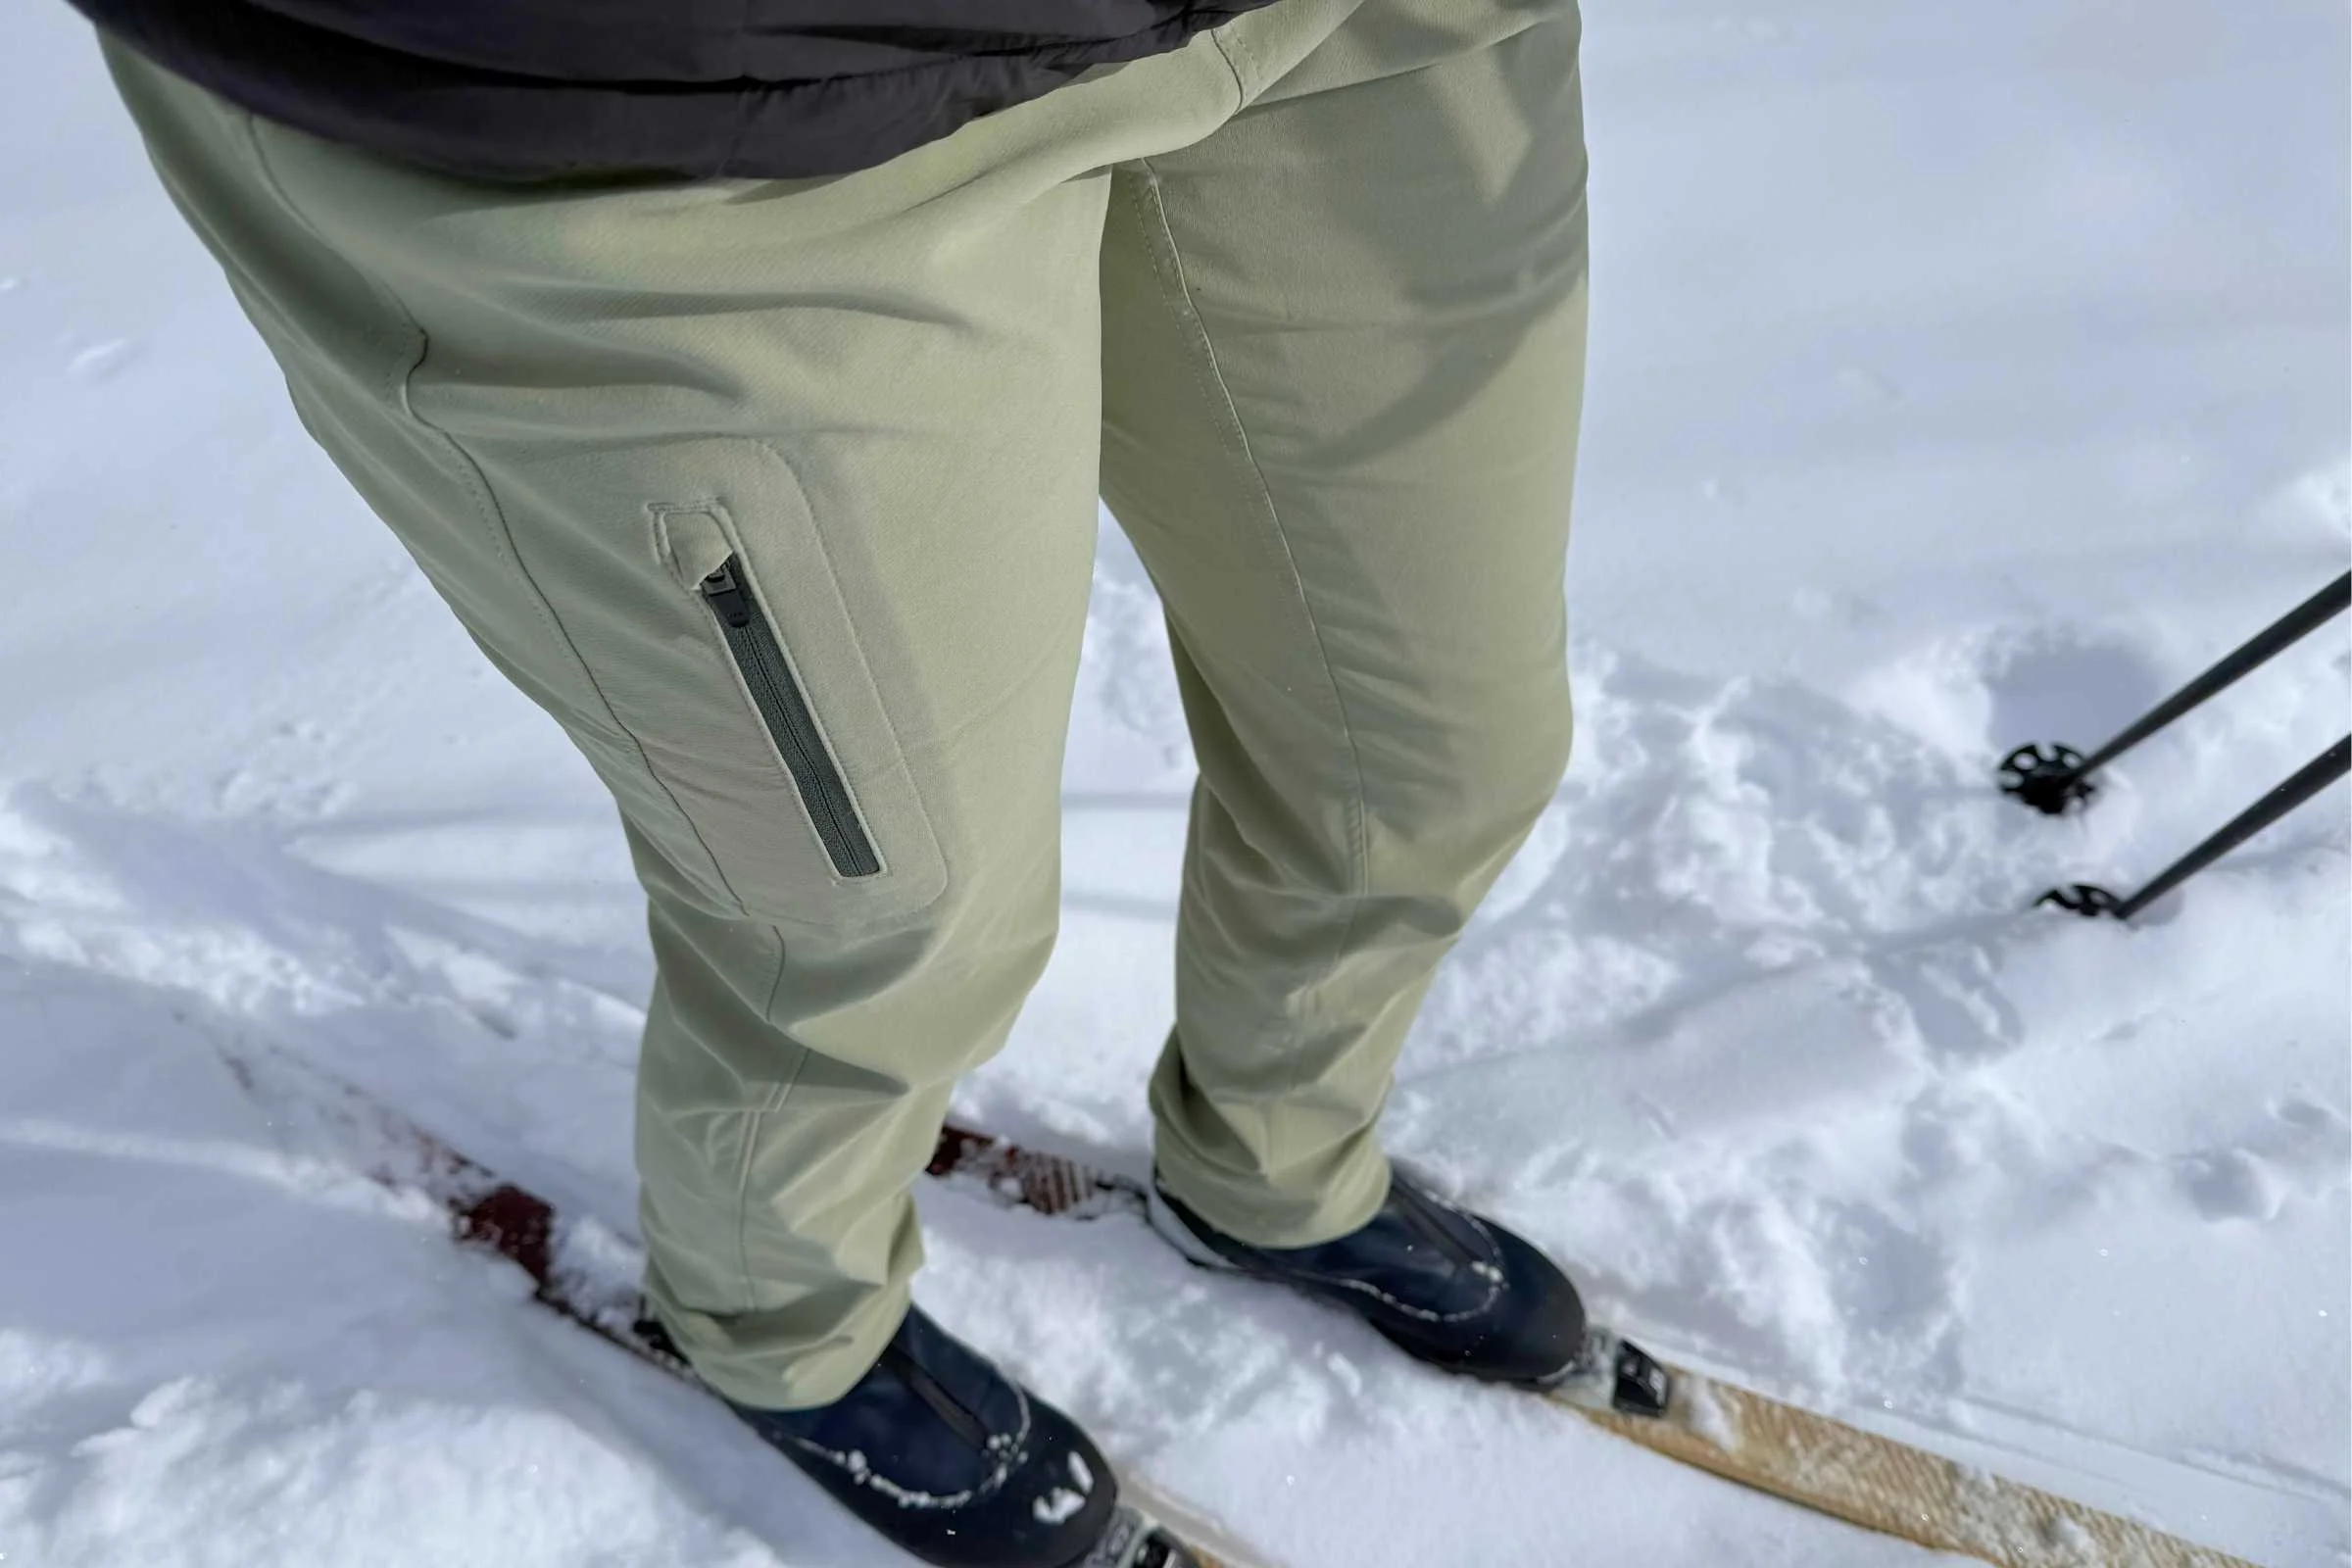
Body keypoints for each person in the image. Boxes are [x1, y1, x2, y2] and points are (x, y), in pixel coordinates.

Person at [70, 0, 1592, 1561]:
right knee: (887, 917)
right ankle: (779, 1319)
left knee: (1432, 753)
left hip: (1353, 29)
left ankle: (1275, 1162)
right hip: (698, 115)